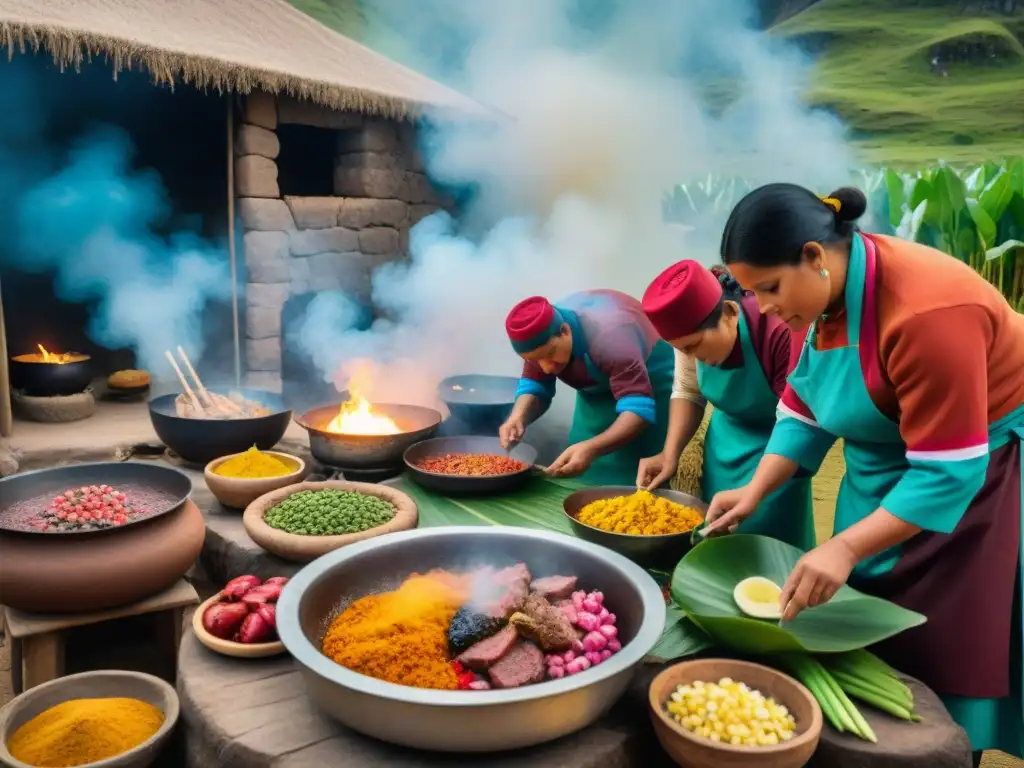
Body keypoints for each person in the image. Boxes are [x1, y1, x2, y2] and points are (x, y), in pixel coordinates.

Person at [704, 182, 1024, 762]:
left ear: (813, 256)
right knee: (868, 607)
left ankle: (954, 751)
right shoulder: (825, 295)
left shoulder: (930, 314)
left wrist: (845, 547)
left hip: (972, 471)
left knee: (949, 634)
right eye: (753, 294)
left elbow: (947, 471)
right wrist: (754, 490)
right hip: (885, 460)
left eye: (770, 289)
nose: (766, 309)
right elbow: (805, 403)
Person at [637, 260, 815, 550]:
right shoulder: (687, 337)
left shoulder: (780, 333)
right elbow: (688, 390)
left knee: (768, 549)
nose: (690, 356)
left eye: (694, 346)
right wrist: (669, 454)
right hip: (724, 446)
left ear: (731, 313)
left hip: (779, 449)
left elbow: (801, 423)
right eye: (682, 350)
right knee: (715, 542)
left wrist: (755, 491)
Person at [499, 290, 675, 484]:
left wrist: (592, 448)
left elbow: (639, 411)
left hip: (647, 388)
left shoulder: (612, 336)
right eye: (534, 360)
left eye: (551, 354)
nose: (546, 368)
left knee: (632, 482)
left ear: (565, 331)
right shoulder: (539, 335)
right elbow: (535, 384)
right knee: (580, 470)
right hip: (595, 393)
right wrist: (518, 417)